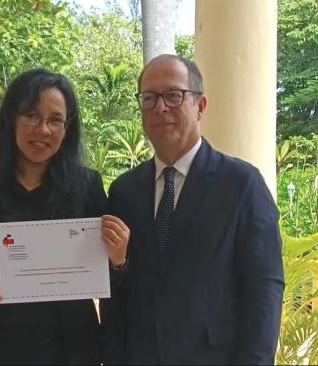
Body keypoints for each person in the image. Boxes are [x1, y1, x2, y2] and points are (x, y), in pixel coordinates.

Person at [0, 68, 130, 365]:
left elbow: (109, 275)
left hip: (70, 349)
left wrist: (118, 258)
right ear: (11, 119)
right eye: (31, 115)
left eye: (55, 120)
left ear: (67, 129)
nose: (43, 130)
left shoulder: (87, 185)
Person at [100, 54, 284, 364]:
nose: (160, 107)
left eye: (173, 95)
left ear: (200, 106)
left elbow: (264, 288)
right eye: (149, 98)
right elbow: (117, 288)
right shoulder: (124, 191)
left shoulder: (242, 185)